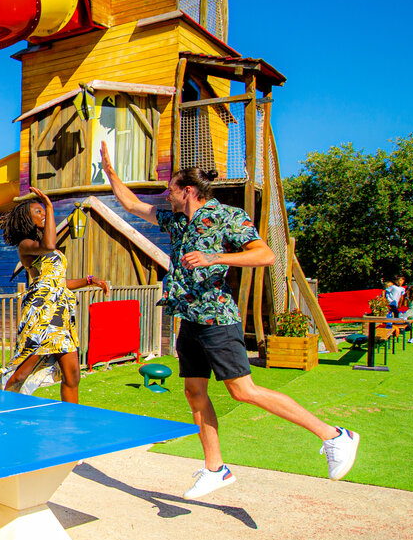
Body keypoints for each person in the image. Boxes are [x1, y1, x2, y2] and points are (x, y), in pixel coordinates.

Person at [99, 143, 360, 499]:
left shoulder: (228, 217)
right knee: (194, 392)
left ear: (187, 191)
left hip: (218, 319)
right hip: (190, 320)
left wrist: (213, 257)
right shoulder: (175, 220)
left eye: (170, 190)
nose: (166, 196)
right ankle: (215, 469)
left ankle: (334, 435)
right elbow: (132, 205)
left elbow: (265, 255)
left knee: (243, 391)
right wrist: (110, 171)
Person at [0, 187, 110, 402]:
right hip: (42, 314)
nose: (43, 214)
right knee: (22, 374)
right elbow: (49, 244)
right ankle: (3, 410)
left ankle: (71, 419)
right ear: (27, 218)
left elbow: (58, 283)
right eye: (38, 211)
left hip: (61, 315)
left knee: (72, 375)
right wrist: (51, 206)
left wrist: (90, 281)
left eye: (44, 211)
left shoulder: (45, 248)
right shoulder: (26, 245)